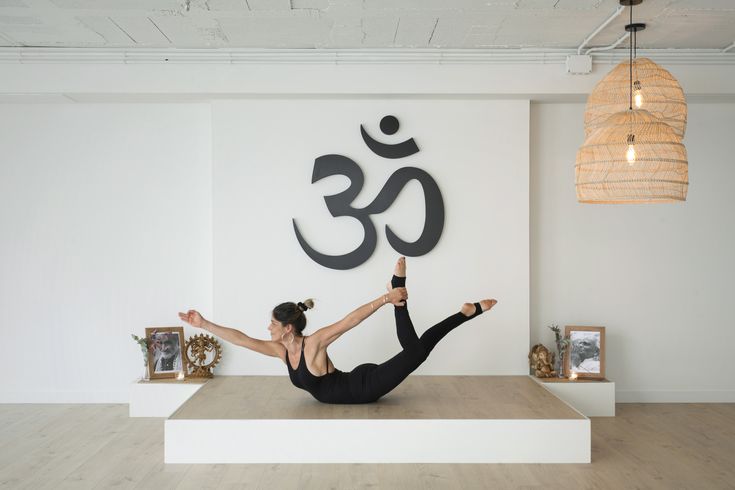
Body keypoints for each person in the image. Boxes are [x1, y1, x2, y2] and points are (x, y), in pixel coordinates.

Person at [179, 257, 497, 404]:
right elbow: (244, 340)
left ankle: (411, 296)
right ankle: (459, 312)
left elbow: (349, 321)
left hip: (365, 388)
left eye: (272, 324)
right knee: (415, 351)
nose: (268, 329)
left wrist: (386, 298)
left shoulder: (313, 344)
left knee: (415, 353)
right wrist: (204, 323)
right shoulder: (282, 350)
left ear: (288, 328)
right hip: (354, 382)